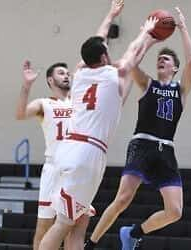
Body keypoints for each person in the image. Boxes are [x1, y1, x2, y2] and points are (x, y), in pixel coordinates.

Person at [38, 2, 159, 250]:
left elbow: (101, 41)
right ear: (104, 56)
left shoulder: (80, 73)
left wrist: (111, 15)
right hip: (87, 154)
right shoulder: (113, 76)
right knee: (62, 224)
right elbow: (132, 55)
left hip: (69, 149)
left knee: (80, 221)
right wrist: (148, 33)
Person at [85, 7, 191, 250]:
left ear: (175, 68)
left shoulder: (181, 90)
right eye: (159, 58)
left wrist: (183, 28)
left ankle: (133, 232)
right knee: (122, 199)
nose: (161, 60)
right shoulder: (147, 84)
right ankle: (91, 244)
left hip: (166, 150)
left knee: (175, 211)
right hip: (142, 145)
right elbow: (130, 64)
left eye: (166, 59)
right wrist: (147, 36)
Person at [16, 61, 92, 250]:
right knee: (44, 227)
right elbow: (20, 114)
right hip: (54, 168)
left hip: (76, 169)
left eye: (67, 73)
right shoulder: (44, 103)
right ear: (50, 79)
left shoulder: (79, 102)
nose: (66, 75)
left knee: (73, 227)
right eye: (61, 73)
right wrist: (26, 86)